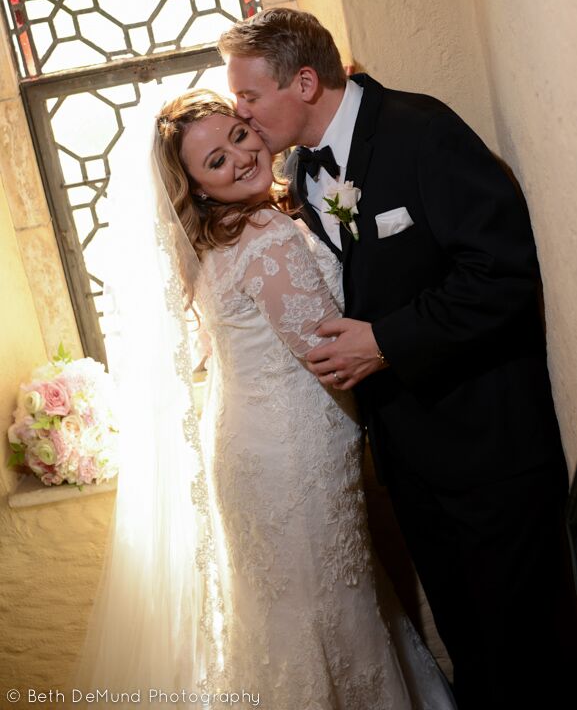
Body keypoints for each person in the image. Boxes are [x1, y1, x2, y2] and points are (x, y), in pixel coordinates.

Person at [218, 8, 577, 710]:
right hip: (411, 462)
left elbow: (500, 274)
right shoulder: (296, 169)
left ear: (304, 81)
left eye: (249, 96)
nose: (242, 113)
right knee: (474, 653)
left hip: (489, 451)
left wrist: (386, 341)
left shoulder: (422, 132)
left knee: (531, 660)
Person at [73, 89, 456, 710]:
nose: (241, 159)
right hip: (292, 455)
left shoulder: (210, 243)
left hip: (249, 443)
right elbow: (328, 355)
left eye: (239, 137)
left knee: (292, 612)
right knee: (321, 610)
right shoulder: (267, 234)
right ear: (196, 188)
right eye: (216, 162)